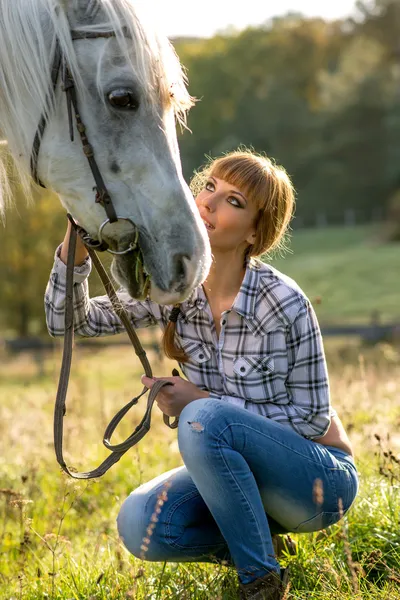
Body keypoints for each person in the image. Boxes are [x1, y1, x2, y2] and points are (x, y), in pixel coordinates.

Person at [45, 149, 359, 600]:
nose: (209, 202)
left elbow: (311, 419)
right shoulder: (174, 288)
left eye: (234, 201)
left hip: (317, 483)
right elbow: (68, 322)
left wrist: (202, 402)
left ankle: (260, 583)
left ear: (255, 231)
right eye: (209, 186)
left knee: (203, 420)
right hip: (242, 482)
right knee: (141, 525)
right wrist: (72, 250)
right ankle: (260, 543)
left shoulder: (284, 303)